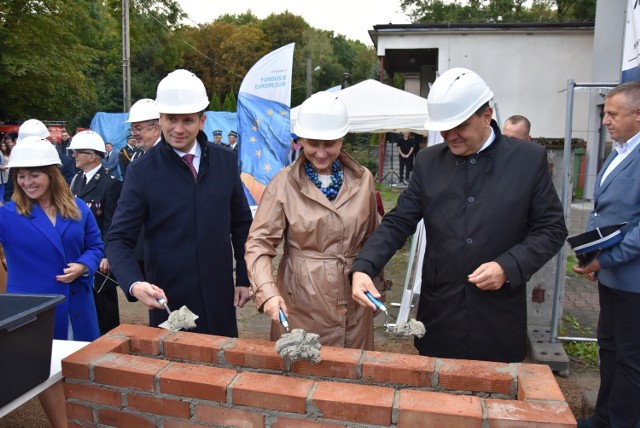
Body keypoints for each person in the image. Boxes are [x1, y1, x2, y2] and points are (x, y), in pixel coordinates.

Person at [349, 68, 568, 363]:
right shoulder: (428, 162)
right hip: (441, 310)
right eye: (444, 128)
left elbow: (552, 229)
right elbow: (399, 220)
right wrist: (364, 266)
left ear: (487, 115)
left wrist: (509, 266)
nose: (450, 136)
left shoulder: (528, 160)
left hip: (498, 312)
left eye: (460, 126)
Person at [105, 69, 253, 336]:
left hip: (220, 298)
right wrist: (133, 283)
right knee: (179, 373)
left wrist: (244, 276)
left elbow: (242, 225)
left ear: (202, 120)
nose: (179, 129)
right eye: (171, 119)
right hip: (169, 302)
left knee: (222, 370)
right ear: (160, 119)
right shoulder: (142, 171)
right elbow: (117, 239)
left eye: (188, 120)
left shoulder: (224, 161)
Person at [245, 92, 384, 350]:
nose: (320, 153)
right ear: (301, 141)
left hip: (354, 300)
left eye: (329, 144)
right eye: (313, 144)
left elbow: (373, 239)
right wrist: (267, 292)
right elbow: (258, 244)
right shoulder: (283, 183)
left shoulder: (363, 179)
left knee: (351, 378)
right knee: (303, 374)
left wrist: (377, 287)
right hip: (300, 301)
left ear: (342, 139)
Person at [0, 136, 103, 427]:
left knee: (80, 368)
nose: (26, 182)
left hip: (77, 305)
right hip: (37, 312)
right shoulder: (7, 215)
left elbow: (96, 246)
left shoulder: (79, 208)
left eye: (34, 174)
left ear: (52, 174)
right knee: (48, 373)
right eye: (20, 175)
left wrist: (84, 265)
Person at [573, 81, 640, 428]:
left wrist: (606, 258)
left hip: (633, 282)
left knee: (631, 359)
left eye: (613, 114)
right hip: (613, 276)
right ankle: (604, 417)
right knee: (610, 349)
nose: (605, 121)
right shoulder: (621, 150)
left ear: (638, 114)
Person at [69, 131, 120, 335]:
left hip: (100, 255)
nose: (73, 156)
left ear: (91, 156)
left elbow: (112, 222)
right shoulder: (76, 180)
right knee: (86, 301)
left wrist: (107, 254)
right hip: (80, 252)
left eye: (77, 152)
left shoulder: (110, 183)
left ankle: (111, 344)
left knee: (104, 303)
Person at [4, 119, 75, 202]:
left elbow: (67, 191)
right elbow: (9, 192)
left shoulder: (65, 162)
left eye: (35, 175)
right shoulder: (17, 163)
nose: (27, 182)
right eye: (22, 176)